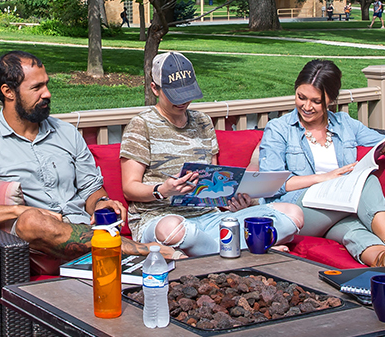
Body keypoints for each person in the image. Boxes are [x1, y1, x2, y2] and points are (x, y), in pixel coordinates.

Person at [0, 51, 176, 272]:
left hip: (85, 233)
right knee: (31, 221)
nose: (47, 93)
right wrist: (17, 210)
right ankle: (136, 251)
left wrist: (101, 203)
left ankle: (120, 253)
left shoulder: (66, 133)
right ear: (8, 92)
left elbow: (91, 189)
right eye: (36, 87)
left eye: (46, 84)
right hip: (41, 249)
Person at [120, 52, 306, 258]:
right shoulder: (141, 125)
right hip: (160, 218)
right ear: (155, 88)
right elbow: (129, 188)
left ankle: (214, 250)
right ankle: (250, 245)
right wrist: (162, 190)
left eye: (188, 93)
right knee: (173, 230)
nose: (183, 102)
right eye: (175, 95)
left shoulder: (203, 122)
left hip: (209, 218)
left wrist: (232, 201)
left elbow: (212, 180)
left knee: (293, 214)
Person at [256, 59, 385, 272]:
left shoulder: (345, 124)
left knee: (353, 229)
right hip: (298, 212)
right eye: (301, 97)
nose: (307, 107)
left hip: (336, 211)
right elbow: (270, 184)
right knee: (365, 180)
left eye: (316, 101)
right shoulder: (279, 129)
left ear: (330, 99)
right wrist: (323, 178)